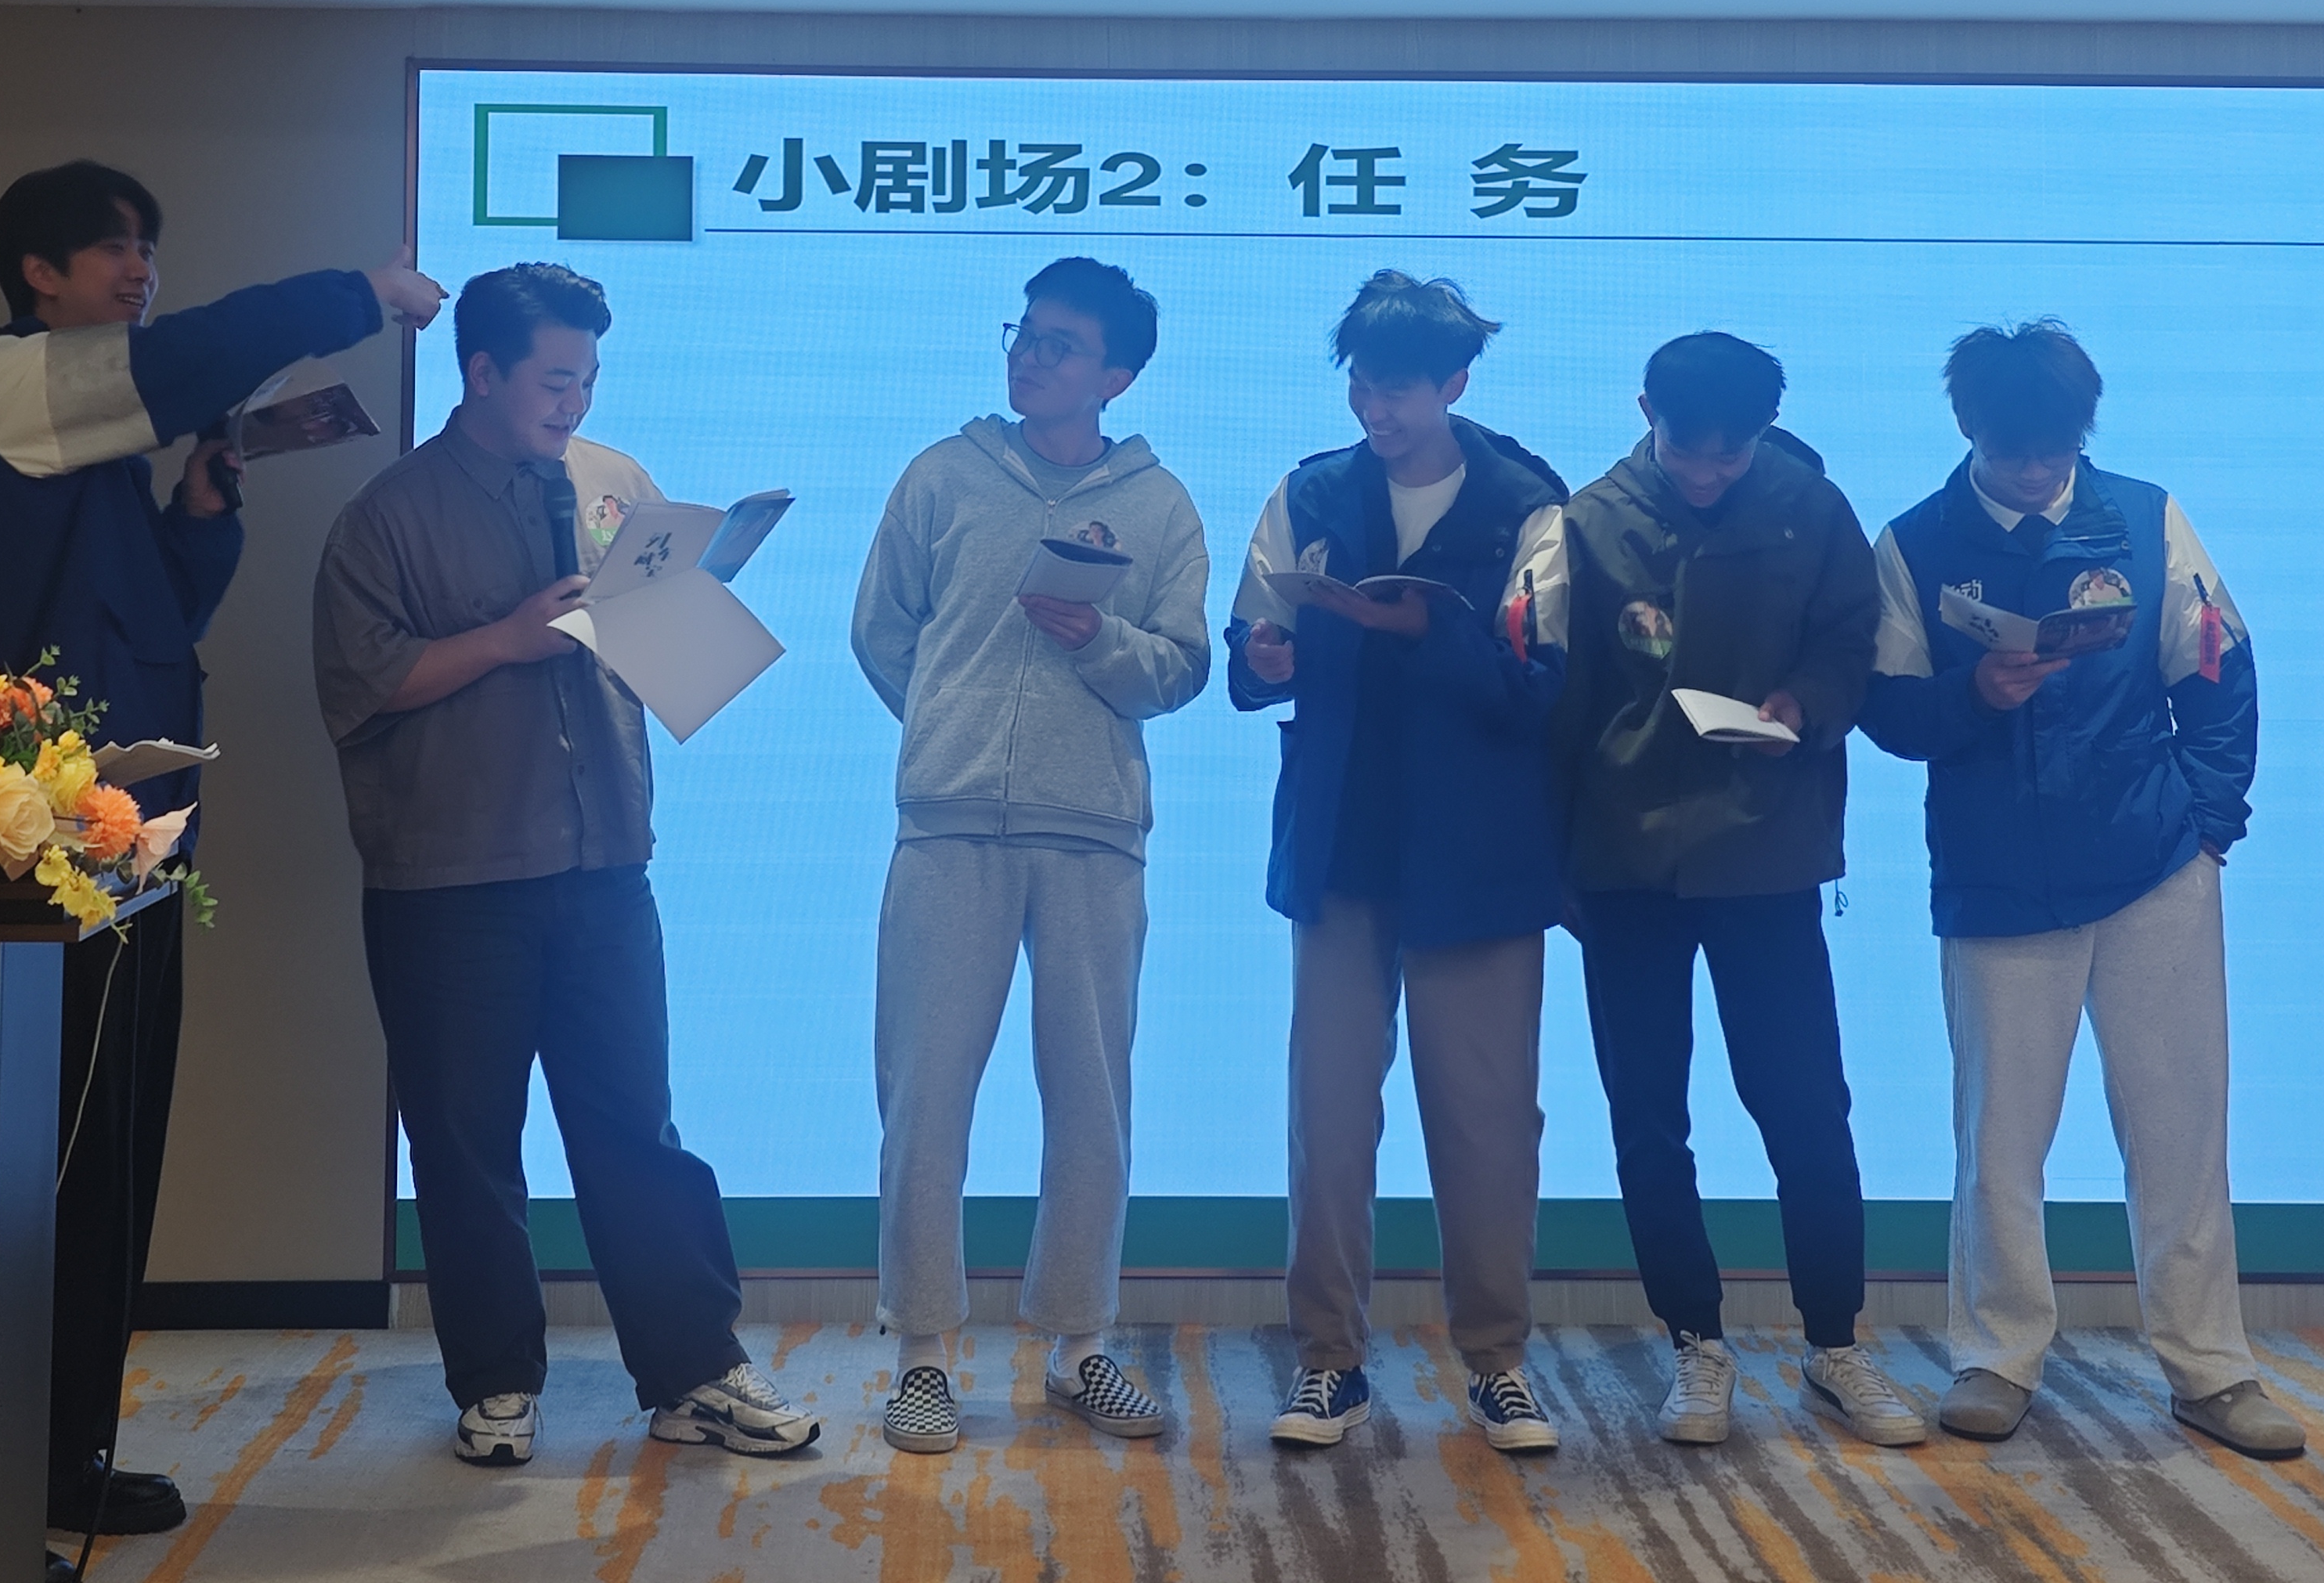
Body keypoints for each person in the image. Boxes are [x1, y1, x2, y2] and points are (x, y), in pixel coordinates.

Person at [0, 160, 445, 1564]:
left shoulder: (79, 426)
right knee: (46, 1161)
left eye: (148, 247)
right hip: (27, 853)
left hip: (126, 836)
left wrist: (201, 515)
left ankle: (62, 1452)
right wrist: (357, 293)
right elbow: (194, 355)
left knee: (114, 1147)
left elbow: (147, 616)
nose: (140, 271)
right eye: (113, 251)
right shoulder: (1, 379)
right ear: (39, 275)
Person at [310, 262, 816, 1466]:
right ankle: (495, 1384)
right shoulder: (388, 515)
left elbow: (661, 657)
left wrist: (694, 600)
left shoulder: (615, 482)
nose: (575, 403)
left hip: (604, 865)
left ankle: (695, 1370)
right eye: (553, 381)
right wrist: (505, 639)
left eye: (588, 379)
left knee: (637, 1126)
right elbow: (359, 687)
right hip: (449, 878)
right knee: (465, 1144)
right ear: (482, 373)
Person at [1858, 320, 2303, 1459]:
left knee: (2181, 1126)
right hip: (1997, 880)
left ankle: (2211, 1367)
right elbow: (1887, 709)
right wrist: (1976, 695)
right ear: (1969, 429)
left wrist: (2209, 828)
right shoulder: (1914, 542)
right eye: (2013, 452)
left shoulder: (2147, 520)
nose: (2035, 471)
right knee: (1999, 1139)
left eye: (2054, 451)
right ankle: (1997, 1355)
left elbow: (2220, 674)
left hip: (2155, 865)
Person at [851, 257, 1211, 1455]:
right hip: (948, 827)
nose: (1031, 357)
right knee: (924, 1099)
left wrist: (1097, 640)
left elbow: (1179, 669)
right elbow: (883, 634)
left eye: (1061, 344)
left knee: (1091, 1103)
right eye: (1024, 333)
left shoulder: (1161, 506)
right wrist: (948, 730)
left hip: (1094, 833)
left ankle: (1078, 1345)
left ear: (1117, 375)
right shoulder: (941, 475)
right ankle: (922, 1357)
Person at [1546, 332, 1925, 1451]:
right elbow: (1561, 701)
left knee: (1806, 1106)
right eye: (1687, 451)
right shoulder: (1590, 520)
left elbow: (1852, 642)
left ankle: (1836, 1342)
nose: (1708, 473)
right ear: (1645, 413)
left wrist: (1804, 704)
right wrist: (1557, 862)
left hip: (1770, 850)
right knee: (1647, 1114)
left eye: (1732, 453)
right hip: (1627, 859)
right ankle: (1695, 1345)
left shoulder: (1813, 507)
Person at [1229, 273, 1573, 1456]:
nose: (1377, 410)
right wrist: (1265, 656)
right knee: (1328, 1112)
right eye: (1362, 386)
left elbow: (1543, 686)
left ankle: (1498, 1363)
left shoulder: (1527, 503)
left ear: (1456, 383)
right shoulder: (1310, 493)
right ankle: (1328, 1361)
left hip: (1480, 847)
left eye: (1401, 390)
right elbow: (1254, 643)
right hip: (1341, 835)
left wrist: (1432, 631)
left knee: (1486, 1119)